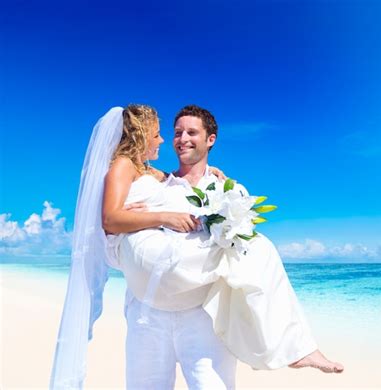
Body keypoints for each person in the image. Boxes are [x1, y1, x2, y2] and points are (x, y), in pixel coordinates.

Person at [50, 104, 343, 390]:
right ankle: (292, 347)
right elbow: (112, 217)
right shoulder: (160, 180)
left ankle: (292, 345)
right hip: (147, 308)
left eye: (190, 132)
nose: (176, 139)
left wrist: (219, 184)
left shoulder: (223, 187)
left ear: (210, 140)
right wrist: (155, 217)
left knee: (257, 252)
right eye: (175, 132)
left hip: (201, 312)